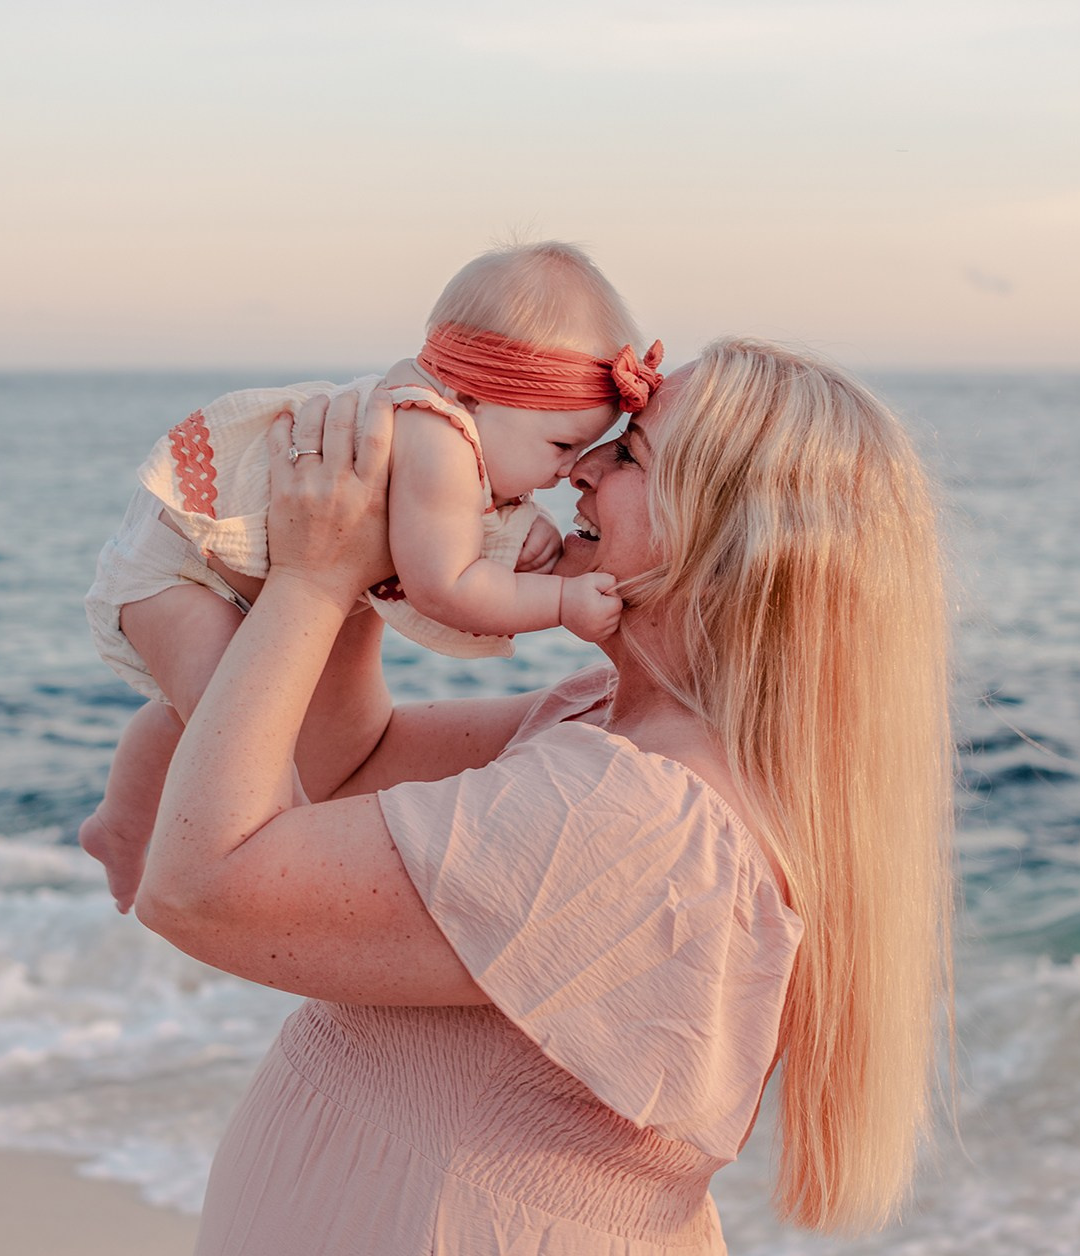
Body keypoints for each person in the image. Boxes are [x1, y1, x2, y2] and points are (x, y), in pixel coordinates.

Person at [131, 338, 955, 1256]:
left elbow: (202, 888)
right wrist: (375, 554)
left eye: (631, 456)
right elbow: (350, 762)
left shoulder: (636, 819)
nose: (577, 467)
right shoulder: (606, 719)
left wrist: (307, 581)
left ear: (734, 548)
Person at [81, 242, 664, 906]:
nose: (567, 472)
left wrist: (517, 531)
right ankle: (241, 859)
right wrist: (560, 600)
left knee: (219, 714)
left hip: (200, 556)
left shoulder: (450, 430)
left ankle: (119, 827)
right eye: (560, 447)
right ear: (473, 396)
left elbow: (437, 525)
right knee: (253, 762)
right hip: (183, 564)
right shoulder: (437, 440)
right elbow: (444, 585)